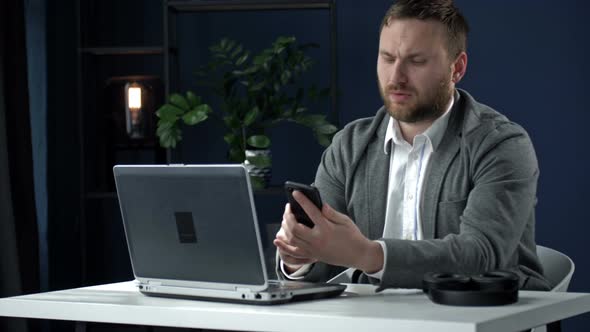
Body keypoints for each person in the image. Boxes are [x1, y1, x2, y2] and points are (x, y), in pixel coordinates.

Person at [273, 0, 551, 291]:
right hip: (379, 317)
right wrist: (299, 255)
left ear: (457, 68)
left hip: (483, 315)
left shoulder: (501, 145)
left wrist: (368, 255)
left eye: (416, 61)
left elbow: (480, 256)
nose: (396, 78)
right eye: (387, 58)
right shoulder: (349, 146)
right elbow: (322, 259)